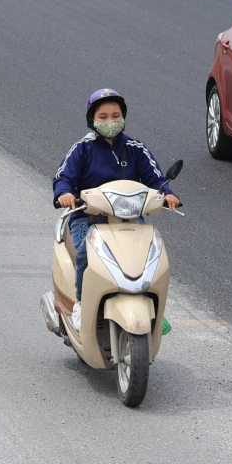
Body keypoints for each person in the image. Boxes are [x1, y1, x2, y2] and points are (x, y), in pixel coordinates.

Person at [53, 89, 178, 313]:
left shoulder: (135, 149)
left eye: (116, 115)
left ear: (123, 117)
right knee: (86, 253)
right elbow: (64, 177)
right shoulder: (81, 150)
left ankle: (153, 307)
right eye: (103, 117)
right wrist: (64, 193)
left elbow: (155, 178)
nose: (110, 121)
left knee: (150, 256)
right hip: (87, 218)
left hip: (128, 218)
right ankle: (83, 304)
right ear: (92, 119)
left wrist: (167, 193)